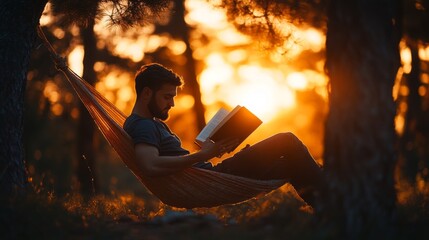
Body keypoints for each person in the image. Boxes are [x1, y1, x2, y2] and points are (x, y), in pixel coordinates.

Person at [123, 63, 324, 207]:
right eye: (167, 97)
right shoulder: (143, 126)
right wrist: (203, 155)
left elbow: (169, 160)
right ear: (147, 93)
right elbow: (150, 165)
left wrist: (210, 149)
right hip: (213, 178)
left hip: (211, 176)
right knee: (287, 140)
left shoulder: (150, 124)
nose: (172, 104)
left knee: (295, 164)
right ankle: (333, 203)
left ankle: (328, 209)